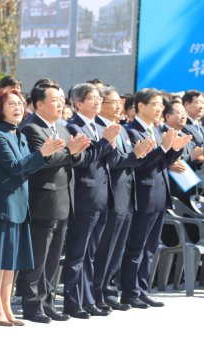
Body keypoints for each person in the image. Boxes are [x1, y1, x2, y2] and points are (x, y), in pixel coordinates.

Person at [0, 88, 64, 326]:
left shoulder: (19, 134)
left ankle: (7, 306)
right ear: (0, 108)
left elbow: (29, 166)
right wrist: (42, 153)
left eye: (20, 104)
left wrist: (43, 155)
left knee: (12, 261)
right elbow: (14, 166)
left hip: (21, 202)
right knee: (0, 260)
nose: (18, 108)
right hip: (5, 203)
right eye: (11, 104)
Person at [18, 81, 90, 324]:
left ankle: (48, 302)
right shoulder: (32, 129)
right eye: (54, 100)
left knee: (53, 258)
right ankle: (32, 304)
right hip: (43, 199)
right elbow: (42, 162)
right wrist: (70, 152)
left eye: (61, 100)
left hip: (63, 199)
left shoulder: (61, 126)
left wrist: (76, 151)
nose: (60, 104)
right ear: (39, 104)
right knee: (38, 256)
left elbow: (73, 158)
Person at [120, 88, 191, 309]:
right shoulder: (131, 131)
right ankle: (130, 292)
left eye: (161, 105)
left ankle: (142, 289)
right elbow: (140, 164)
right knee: (136, 246)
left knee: (150, 247)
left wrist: (175, 150)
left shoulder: (158, 130)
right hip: (142, 194)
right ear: (141, 106)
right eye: (155, 104)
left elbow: (162, 161)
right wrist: (163, 148)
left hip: (160, 194)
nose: (160, 108)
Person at [93, 86, 153, 312]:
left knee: (117, 249)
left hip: (127, 195)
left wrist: (143, 154)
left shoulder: (122, 130)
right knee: (106, 248)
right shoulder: (99, 128)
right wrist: (137, 155)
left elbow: (131, 161)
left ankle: (108, 292)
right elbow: (115, 161)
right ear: (102, 105)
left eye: (120, 102)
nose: (119, 106)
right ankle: (96, 293)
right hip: (111, 195)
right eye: (113, 102)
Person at [63, 83, 120, 319]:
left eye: (99, 98)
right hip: (84, 196)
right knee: (78, 252)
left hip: (102, 196)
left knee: (91, 252)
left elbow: (111, 161)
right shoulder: (73, 127)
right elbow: (83, 159)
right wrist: (105, 143)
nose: (97, 102)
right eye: (92, 98)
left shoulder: (98, 126)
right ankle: (73, 302)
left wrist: (112, 144)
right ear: (78, 103)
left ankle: (89, 299)